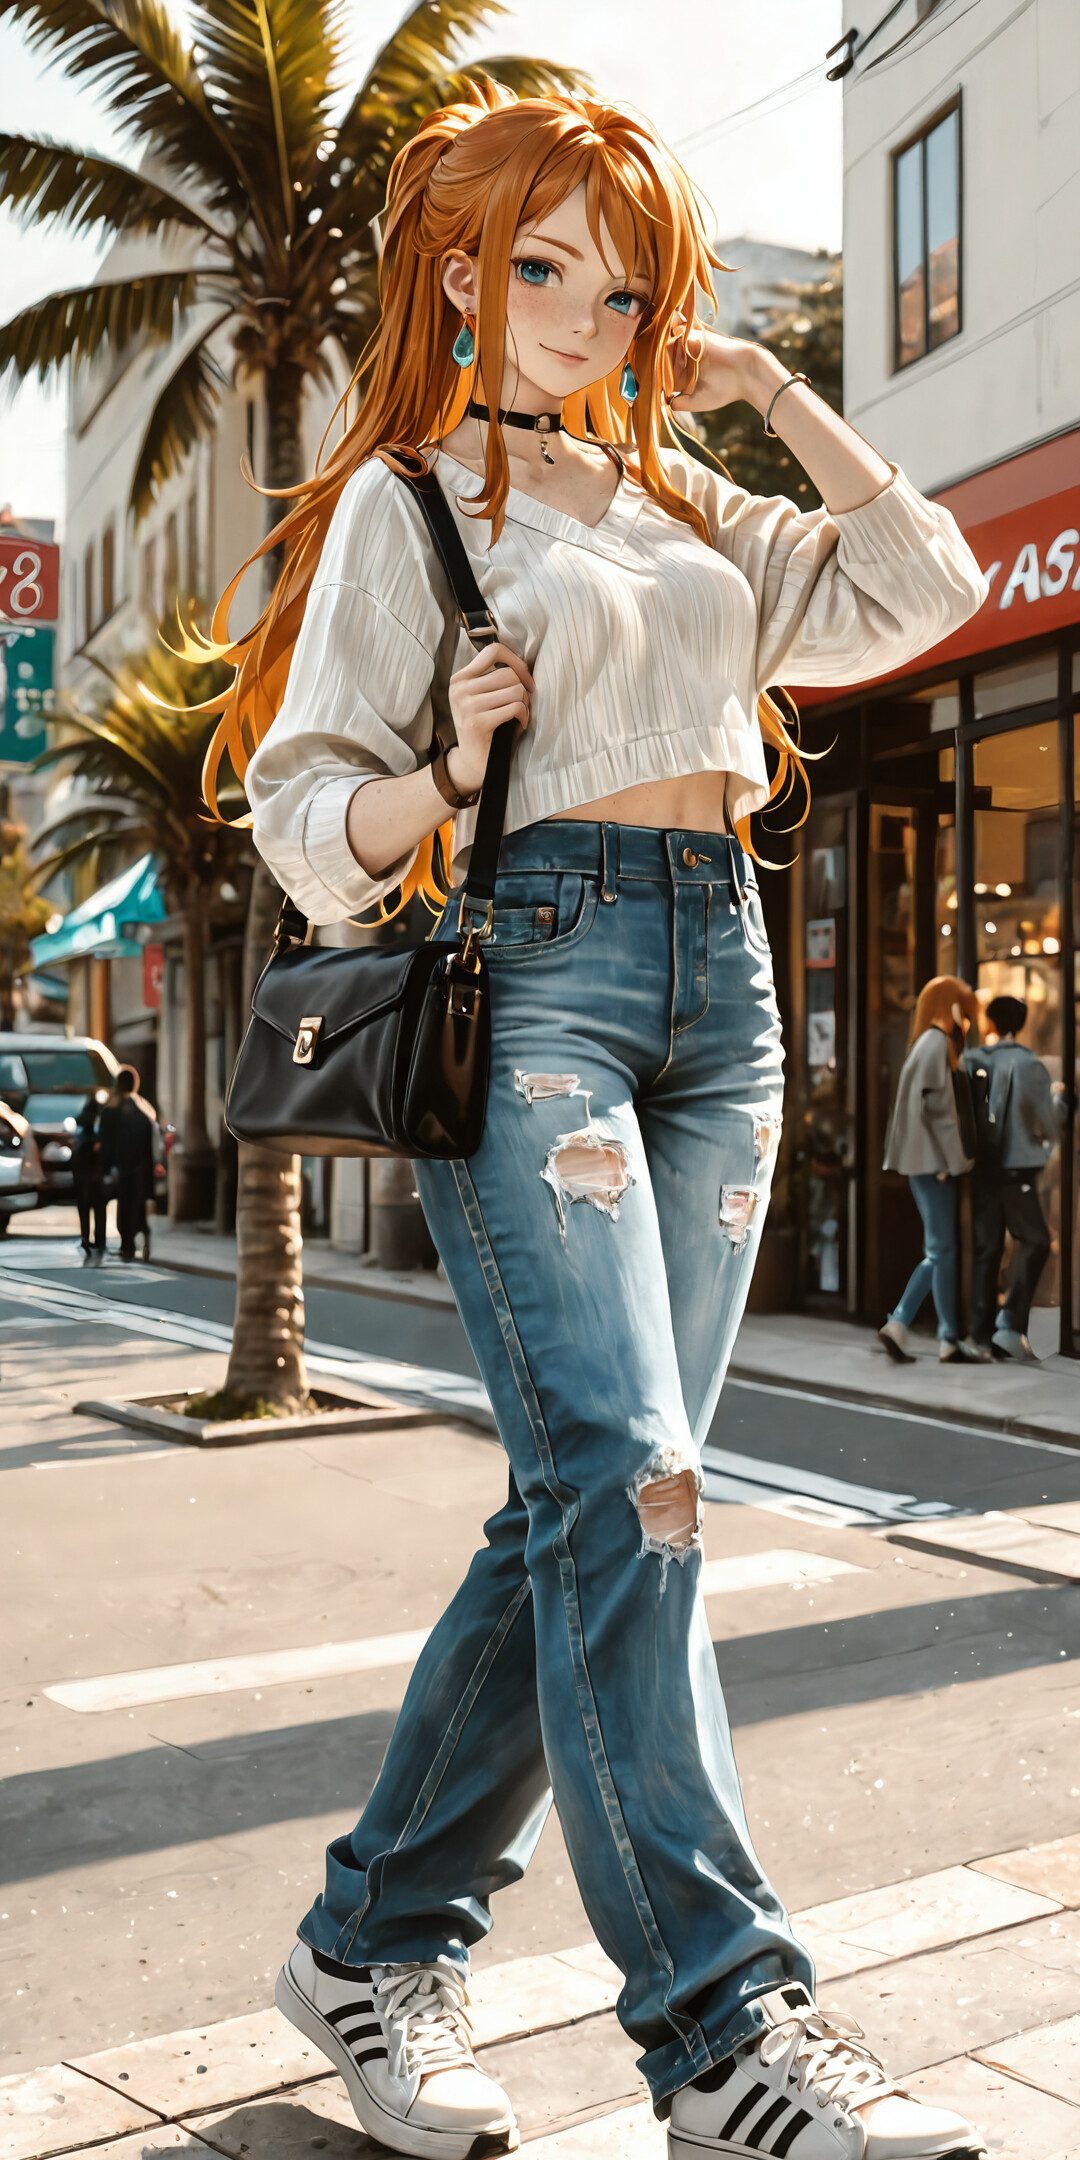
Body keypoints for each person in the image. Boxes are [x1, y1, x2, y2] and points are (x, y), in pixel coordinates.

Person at [213, 88, 988, 2160]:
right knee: (636, 1492)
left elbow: (924, 580)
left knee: (590, 1501)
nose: (579, 309)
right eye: (537, 264)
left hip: (723, 996)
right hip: (537, 986)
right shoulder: (412, 504)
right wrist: (442, 773)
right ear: (459, 273)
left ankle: (370, 1939)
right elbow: (307, 823)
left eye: (618, 277)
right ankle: (725, 2032)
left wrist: (770, 392)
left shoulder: (691, 505)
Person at [961, 993, 1069, 1363]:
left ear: (989, 1022)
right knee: (1035, 1240)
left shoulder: (970, 1059)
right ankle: (1009, 1326)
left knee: (987, 1248)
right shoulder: (1029, 1065)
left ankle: (979, 1333)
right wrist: (1062, 1102)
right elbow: (1050, 1123)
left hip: (980, 1169)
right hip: (1017, 1168)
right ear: (1021, 1024)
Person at [879, 977, 981, 1365]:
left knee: (941, 1249)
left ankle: (946, 1336)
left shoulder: (923, 1043)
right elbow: (941, 1114)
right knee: (940, 1250)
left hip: (922, 1162)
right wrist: (956, 1162)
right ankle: (903, 1322)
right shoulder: (937, 1042)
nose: (967, 1016)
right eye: (963, 1006)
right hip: (934, 1164)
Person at [97, 1065, 156, 1263]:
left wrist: (106, 1169)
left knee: (125, 1205)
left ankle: (127, 1245)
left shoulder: (111, 1111)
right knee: (137, 1206)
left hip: (121, 1168)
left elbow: (106, 1143)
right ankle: (138, 1240)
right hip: (140, 1167)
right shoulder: (144, 1111)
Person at [72, 1089, 107, 1265]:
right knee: (99, 1208)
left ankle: (86, 1237)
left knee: (84, 1208)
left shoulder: (80, 1131)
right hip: (95, 1175)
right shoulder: (98, 1126)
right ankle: (99, 1239)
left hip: (82, 1175)